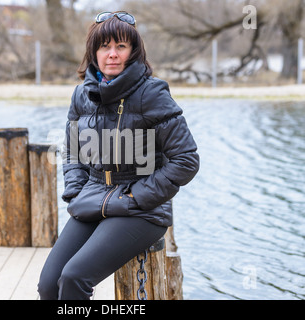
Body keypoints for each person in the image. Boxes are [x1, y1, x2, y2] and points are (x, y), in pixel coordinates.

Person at [38, 11, 199, 300]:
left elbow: (186, 160)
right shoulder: (81, 95)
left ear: (133, 52)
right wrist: (75, 193)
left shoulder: (152, 94)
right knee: (49, 285)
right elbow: (72, 151)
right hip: (92, 198)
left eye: (121, 47)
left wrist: (137, 196)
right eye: (104, 47)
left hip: (140, 209)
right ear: (93, 51)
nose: (112, 54)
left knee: (74, 278)